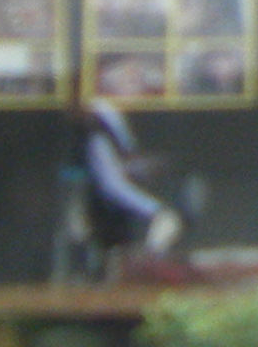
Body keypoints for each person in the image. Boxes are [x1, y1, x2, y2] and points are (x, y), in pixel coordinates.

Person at [64, 89, 182, 277]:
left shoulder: (102, 122)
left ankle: (144, 263)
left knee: (165, 220)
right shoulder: (98, 125)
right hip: (101, 199)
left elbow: (123, 165)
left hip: (114, 203)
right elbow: (113, 183)